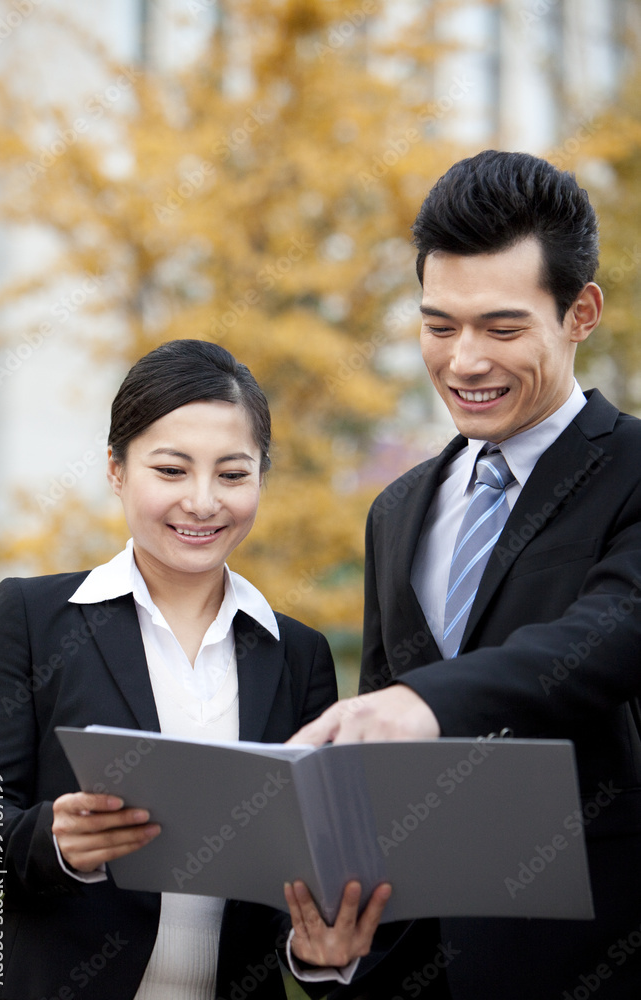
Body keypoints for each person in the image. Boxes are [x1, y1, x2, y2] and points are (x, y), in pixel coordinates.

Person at [290, 151, 641, 999]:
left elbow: (614, 630)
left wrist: (425, 701)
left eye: (501, 328)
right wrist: (334, 952)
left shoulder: (632, 467)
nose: (464, 362)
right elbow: (379, 776)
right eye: (439, 327)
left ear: (579, 312)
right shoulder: (396, 511)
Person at [0, 339, 387, 1000]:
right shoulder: (32, 618)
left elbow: (299, 868)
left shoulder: (295, 654)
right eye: (170, 471)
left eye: (232, 474)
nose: (202, 502)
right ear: (115, 469)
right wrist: (51, 840)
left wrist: (313, 952)